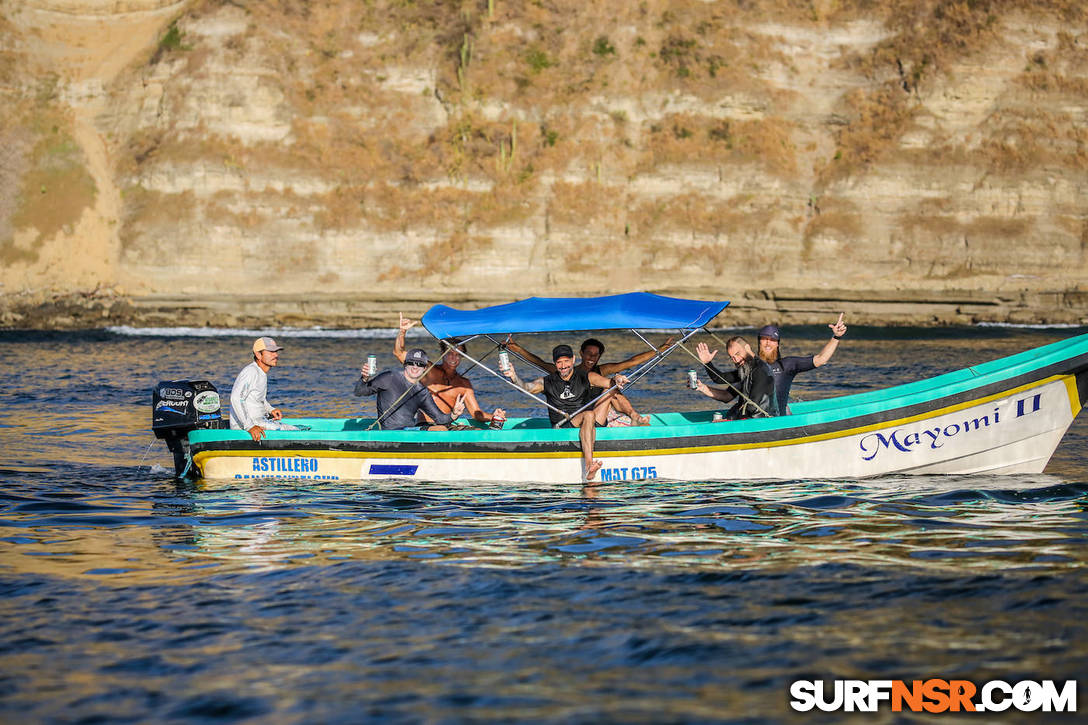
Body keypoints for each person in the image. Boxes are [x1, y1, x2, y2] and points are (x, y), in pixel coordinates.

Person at [503, 344, 629, 480]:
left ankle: (634, 417)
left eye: (566, 361)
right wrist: (514, 377)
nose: (563, 366)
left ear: (573, 360)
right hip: (564, 425)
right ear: (555, 363)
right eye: (559, 362)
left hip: (591, 423)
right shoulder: (547, 382)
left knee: (606, 394)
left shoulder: (587, 376)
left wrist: (617, 378)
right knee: (588, 414)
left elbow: (610, 383)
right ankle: (589, 466)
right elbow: (526, 388)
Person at [504, 335, 672, 426]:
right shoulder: (567, 370)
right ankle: (632, 418)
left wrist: (660, 350)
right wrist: (517, 348)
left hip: (599, 411)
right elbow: (539, 362)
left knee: (612, 388)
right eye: (589, 354)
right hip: (579, 414)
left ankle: (634, 415)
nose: (592, 358)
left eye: (596, 355)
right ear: (581, 354)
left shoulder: (602, 370)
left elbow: (630, 362)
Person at [696, 313, 847, 414]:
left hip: (772, 423)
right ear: (758, 342)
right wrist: (702, 387)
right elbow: (727, 396)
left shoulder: (787, 365)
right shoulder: (748, 367)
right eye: (764, 338)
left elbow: (821, 359)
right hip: (747, 420)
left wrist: (836, 337)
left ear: (778, 344)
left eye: (772, 339)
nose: (768, 342)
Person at [394, 313, 505, 426]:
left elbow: (476, 414)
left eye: (458, 354)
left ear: (462, 356)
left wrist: (494, 416)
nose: (454, 357)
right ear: (443, 354)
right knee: (441, 430)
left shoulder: (464, 384)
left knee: (477, 430)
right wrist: (402, 332)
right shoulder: (429, 371)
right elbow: (399, 353)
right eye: (450, 353)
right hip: (426, 425)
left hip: (448, 426)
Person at [354, 347, 466, 430]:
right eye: (411, 363)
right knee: (440, 430)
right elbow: (359, 392)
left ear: (425, 368)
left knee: (445, 428)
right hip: (389, 434)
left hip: (410, 432)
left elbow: (440, 419)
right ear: (405, 364)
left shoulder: (422, 391)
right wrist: (364, 378)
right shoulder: (389, 377)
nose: (415, 367)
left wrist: (454, 414)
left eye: (419, 364)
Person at [691, 336, 778, 419]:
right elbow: (719, 379)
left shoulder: (760, 370)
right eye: (732, 357)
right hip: (746, 418)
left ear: (747, 348)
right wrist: (707, 363)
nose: (736, 359)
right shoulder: (745, 369)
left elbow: (752, 406)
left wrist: (730, 419)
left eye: (737, 354)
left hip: (763, 421)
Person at [230, 336, 299, 441]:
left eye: (276, 351)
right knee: (295, 431)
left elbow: (257, 397)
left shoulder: (260, 372)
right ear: (258, 354)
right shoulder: (251, 372)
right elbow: (236, 398)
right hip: (247, 426)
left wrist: (270, 409)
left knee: (295, 429)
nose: (276, 355)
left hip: (258, 421)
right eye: (271, 352)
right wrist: (250, 427)